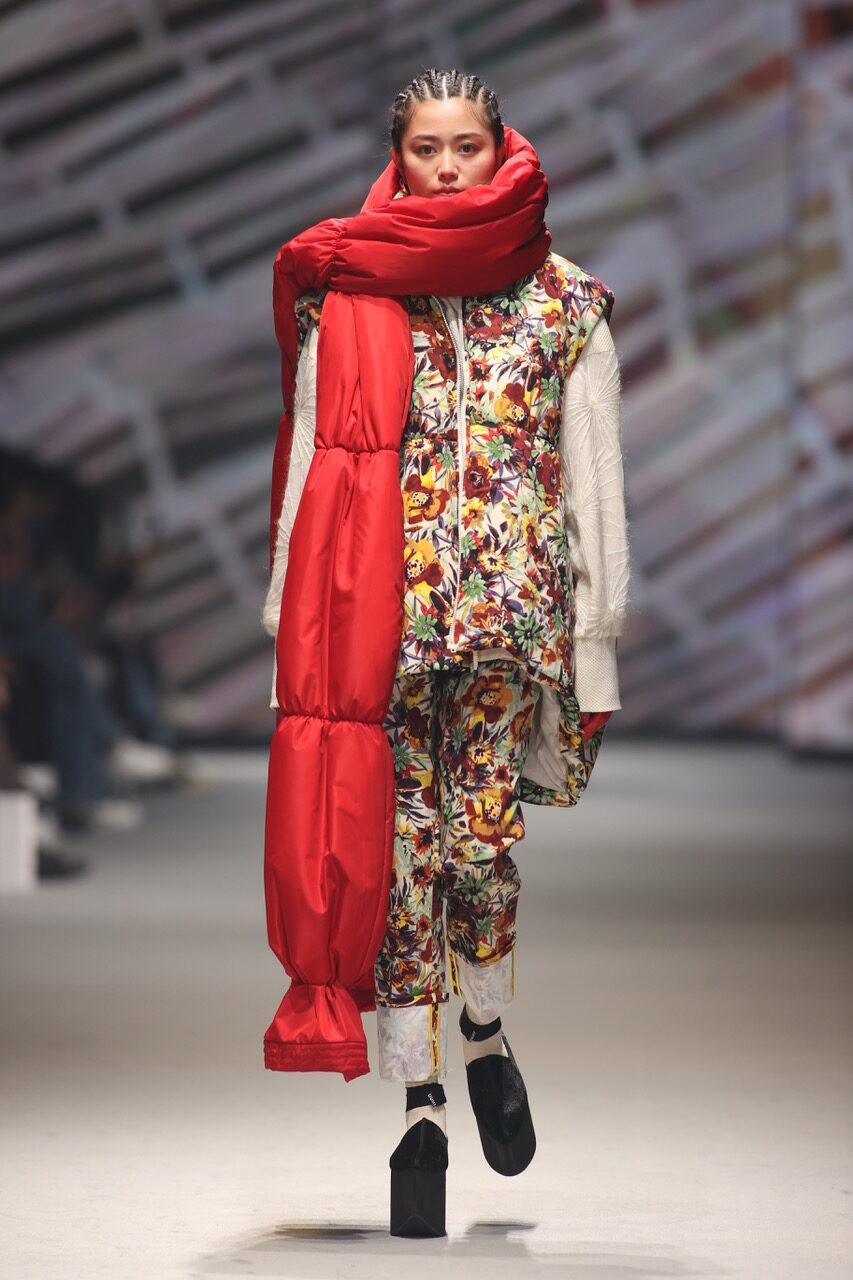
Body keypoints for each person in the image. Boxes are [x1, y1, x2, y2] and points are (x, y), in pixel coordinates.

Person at [262, 68, 629, 1238]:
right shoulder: (352, 292)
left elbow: (595, 481)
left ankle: (482, 1026)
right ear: (399, 155)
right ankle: (419, 1101)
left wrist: (599, 631)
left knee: (478, 842)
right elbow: (313, 463)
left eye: (466, 145)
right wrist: (289, 627)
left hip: (510, 621)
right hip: (382, 618)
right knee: (399, 853)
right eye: (427, 147)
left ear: (500, 146)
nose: (448, 167)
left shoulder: (564, 303)